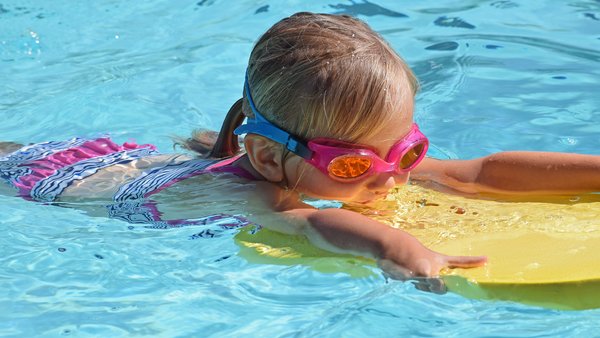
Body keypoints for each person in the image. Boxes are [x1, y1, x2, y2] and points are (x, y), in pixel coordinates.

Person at [1, 12, 599, 284]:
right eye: (353, 165)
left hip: (124, 160)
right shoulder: (262, 193)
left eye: (408, 152)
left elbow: (479, 173)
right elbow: (312, 226)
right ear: (268, 158)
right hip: (56, 182)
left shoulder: (376, 167)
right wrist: (402, 249)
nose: (392, 179)